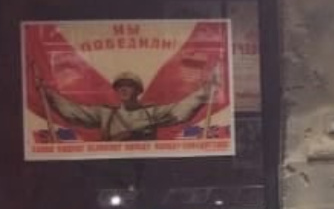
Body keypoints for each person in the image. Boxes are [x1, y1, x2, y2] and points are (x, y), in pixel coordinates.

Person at [35, 69, 216, 141]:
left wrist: (206, 90)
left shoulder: (152, 112)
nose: (123, 89)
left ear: (137, 90)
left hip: (146, 163)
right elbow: (73, 113)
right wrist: (49, 93)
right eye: (120, 86)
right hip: (111, 166)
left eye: (128, 85)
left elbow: (181, 110)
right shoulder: (105, 114)